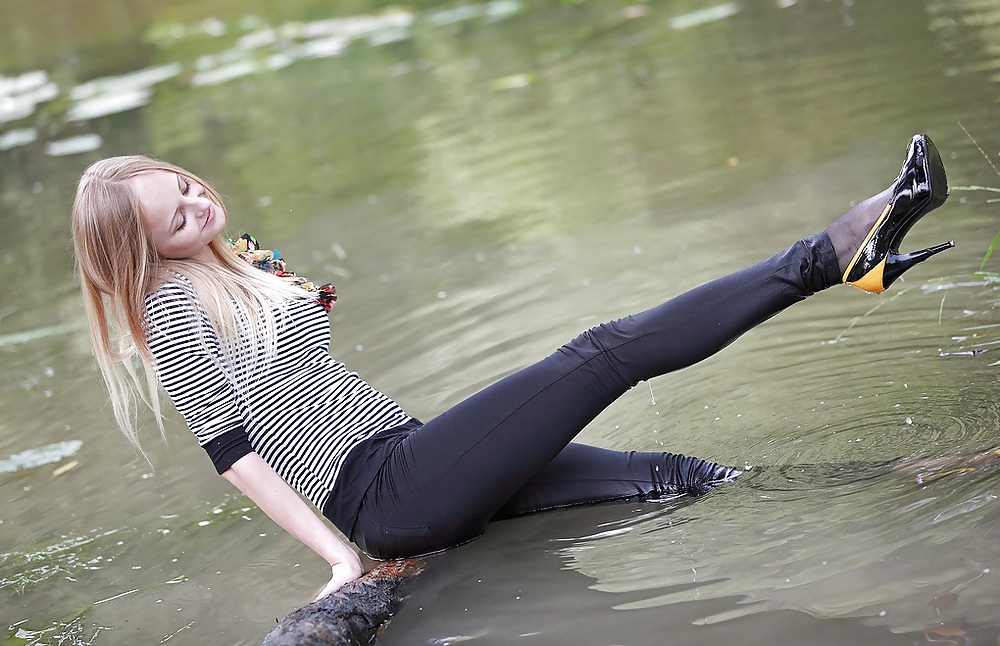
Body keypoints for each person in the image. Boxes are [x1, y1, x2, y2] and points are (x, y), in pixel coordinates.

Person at [71, 134, 954, 600]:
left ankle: (914, 482)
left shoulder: (234, 263)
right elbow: (235, 455)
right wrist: (345, 561)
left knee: (683, 479)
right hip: (386, 491)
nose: (196, 205)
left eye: (184, 187)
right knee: (600, 352)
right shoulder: (172, 304)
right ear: (143, 254)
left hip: (407, 458)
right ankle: (830, 255)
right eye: (174, 219)